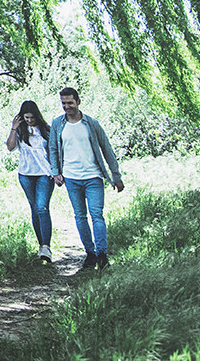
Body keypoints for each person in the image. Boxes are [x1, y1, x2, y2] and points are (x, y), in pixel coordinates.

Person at [48, 86, 124, 270]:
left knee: (97, 215)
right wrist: (56, 172)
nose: (67, 106)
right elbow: (53, 149)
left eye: (70, 103)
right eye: (63, 103)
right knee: (80, 216)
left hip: (93, 177)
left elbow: (107, 149)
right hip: (71, 178)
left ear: (78, 102)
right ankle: (90, 254)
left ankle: (102, 254)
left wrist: (116, 176)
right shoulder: (58, 124)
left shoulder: (91, 124)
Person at [5, 99, 54, 262]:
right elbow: (10, 147)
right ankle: (41, 246)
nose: (29, 120)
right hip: (25, 174)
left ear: (37, 116)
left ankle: (46, 247)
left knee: (42, 208)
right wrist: (14, 128)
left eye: (32, 117)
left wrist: (57, 172)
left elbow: (54, 152)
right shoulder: (20, 131)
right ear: (21, 117)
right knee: (34, 208)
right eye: (26, 118)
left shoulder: (46, 130)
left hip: (44, 174)